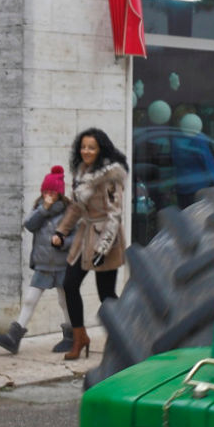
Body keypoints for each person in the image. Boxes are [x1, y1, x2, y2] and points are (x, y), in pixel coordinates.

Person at [55, 127, 128, 361]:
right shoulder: (81, 172)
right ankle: (80, 338)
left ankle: (122, 338)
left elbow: (115, 215)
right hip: (84, 237)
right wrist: (61, 231)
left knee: (106, 294)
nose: (86, 151)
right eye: (83, 147)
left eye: (91, 147)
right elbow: (76, 207)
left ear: (100, 149)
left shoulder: (110, 177)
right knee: (69, 283)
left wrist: (103, 248)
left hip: (106, 237)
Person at [0, 166, 69, 354]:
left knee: (65, 301)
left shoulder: (68, 212)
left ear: (60, 193)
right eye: (46, 191)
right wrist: (44, 209)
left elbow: (77, 237)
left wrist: (63, 241)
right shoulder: (39, 209)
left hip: (63, 265)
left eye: (52, 191)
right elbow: (29, 225)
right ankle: (13, 338)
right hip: (43, 265)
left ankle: (71, 336)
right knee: (30, 299)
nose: (48, 194)